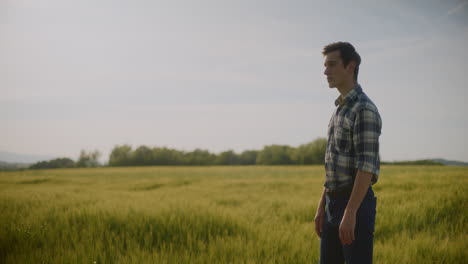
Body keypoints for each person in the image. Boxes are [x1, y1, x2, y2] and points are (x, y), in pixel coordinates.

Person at [314, 42, 382, 264]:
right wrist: (322, 204)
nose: (325, 71)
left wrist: (350, 212)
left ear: (350, 66)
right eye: (325, 65)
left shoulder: (364, 109)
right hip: (332, 205)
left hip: (355, 205)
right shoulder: (339, 109)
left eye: (332, 64)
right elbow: (333, 163)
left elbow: (366, 166)